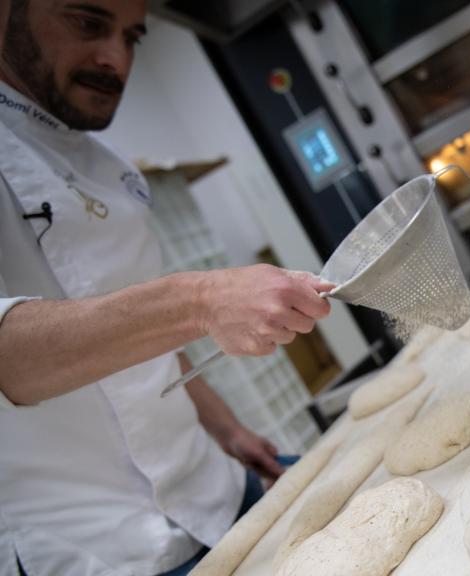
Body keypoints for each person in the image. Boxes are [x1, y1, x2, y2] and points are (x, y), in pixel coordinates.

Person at [0, 0, 337, 573]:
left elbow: (145, 345)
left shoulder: (113, 171)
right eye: (87, 23)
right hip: (101, 549)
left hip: (216, 485)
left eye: (133, 37)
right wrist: (200, 300)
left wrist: (227, 430)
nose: (115, 59)